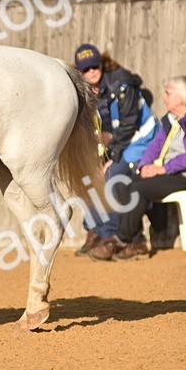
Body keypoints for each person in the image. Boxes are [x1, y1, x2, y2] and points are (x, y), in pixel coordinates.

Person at [90, 76, 186, 261]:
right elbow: (154, 146)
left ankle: (121, 239)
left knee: (139, 188)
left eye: (168, 93)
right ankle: (137, 243)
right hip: (169, 173)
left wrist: (164, 168)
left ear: (184, 96)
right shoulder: (170, 120)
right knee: (124, 184)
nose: (164, 97)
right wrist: (145, 165)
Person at [72, 44, 158, 257]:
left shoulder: (121, 83)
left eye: (95, 65)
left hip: (142, 140)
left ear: (102, 63)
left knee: (112, 175)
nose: (92, 71)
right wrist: (97, 154)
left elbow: (128, 125)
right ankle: (97, 231)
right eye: (86, 69)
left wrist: (113, 157)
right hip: (120, 142)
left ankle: (112, 236)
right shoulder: (89, 91)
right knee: (88, 177)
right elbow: (104, 130)